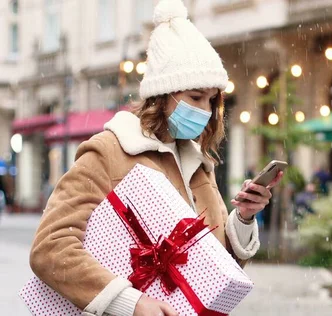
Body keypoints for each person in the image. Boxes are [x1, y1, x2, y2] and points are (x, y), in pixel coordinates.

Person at [28, 1, 283, 315]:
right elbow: (51, 248)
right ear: (164, 94)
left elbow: (212, 268)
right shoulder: (110, 150)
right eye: (195, 97)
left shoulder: (200, 166)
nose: (205, 110)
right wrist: (131, 302)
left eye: (211, 99)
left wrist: (243, 217)